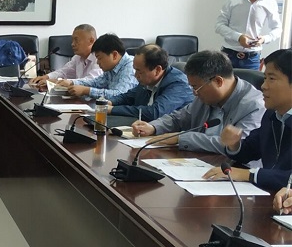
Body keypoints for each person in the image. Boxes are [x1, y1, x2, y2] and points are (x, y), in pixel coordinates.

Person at [131, 50, 264, 154]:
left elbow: (237, 145)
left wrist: (181, 138)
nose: (194, 92)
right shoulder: (204, 97)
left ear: (218, 81)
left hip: (234, 170)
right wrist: (153, 127)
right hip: (197, 162)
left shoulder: (254, 106)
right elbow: (179, 118)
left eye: (196, 87)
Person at [202, 49, 291, 190]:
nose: (263, 86)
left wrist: (249, 174)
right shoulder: (272, 115)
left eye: (272, 79)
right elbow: (250, 150)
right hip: (270, 195)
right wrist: (234, 144)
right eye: (265, 78)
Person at [215, 0, 281, 69]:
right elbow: (219, 26)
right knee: (221, 80)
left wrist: (264, 39)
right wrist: (238, 37)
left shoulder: (270, 3)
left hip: (252, 58)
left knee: (251, 80)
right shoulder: (233, 0)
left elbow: (277, 29)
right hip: (228, 55)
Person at [108, 44, 193, 121]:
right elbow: (128, 96)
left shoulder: (178, 84)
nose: (135, 75)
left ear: (157, 70)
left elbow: (154, 113)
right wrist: (109, 102)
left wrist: (112, 110)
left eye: (139, 71)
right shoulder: (148, 81)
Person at [56, 33, 138, 98]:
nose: (98, 62)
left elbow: (120, 95)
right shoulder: (112, 67)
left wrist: (86, 91)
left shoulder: (130, 67)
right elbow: (96, 83)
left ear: (114, 55)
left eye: (100, 58)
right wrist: (72, 82)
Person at [29, 24, 102, 89]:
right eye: (72, 40)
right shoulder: (77, 58)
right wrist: (47, 77)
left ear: (91, 41)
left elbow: (91, 81)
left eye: (76, 40)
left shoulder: (100, 58)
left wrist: (58, 81)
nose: (72, 44)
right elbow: (64, 72)